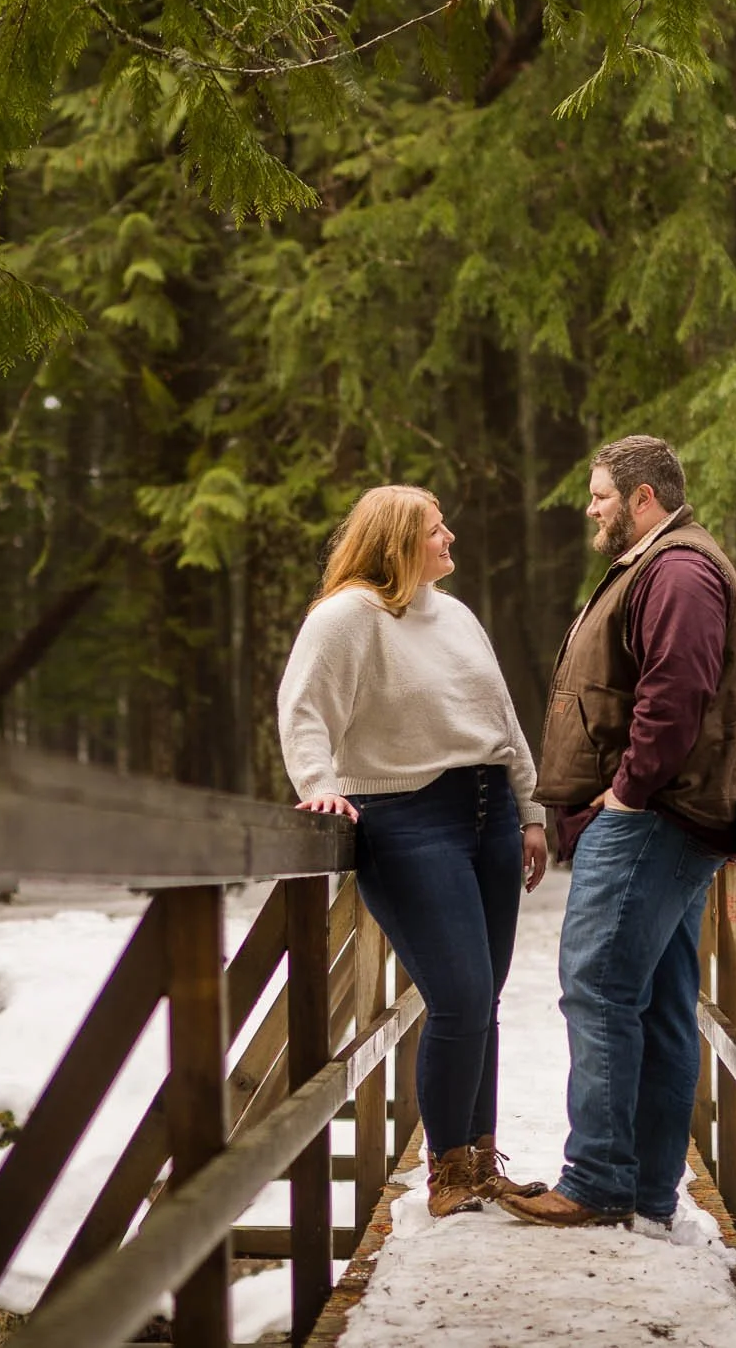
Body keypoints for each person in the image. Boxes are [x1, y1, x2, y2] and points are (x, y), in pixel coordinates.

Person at [495, 436, 736, 1236]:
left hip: (651, 817)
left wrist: (627, 792)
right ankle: (646, 1194)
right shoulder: (661, 563)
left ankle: (600, 1179)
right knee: (661, 999)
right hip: (664, 817)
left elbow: (676, 693)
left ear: (644, 498)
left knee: (599, 984)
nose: (591, 509)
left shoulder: (677, 570)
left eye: (602, 495)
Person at [277, 485, 550, 1217]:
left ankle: (481, 1161)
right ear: (397, 541)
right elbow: (305, 709)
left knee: (484, 997)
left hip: (490, 812)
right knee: (458, 996)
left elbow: (503, 722)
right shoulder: (346, 616)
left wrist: (530, 812)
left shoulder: (455, 615)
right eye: (436, 528)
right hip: (408, 819)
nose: (449, 536)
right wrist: (320, 785)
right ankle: (447, 1173)